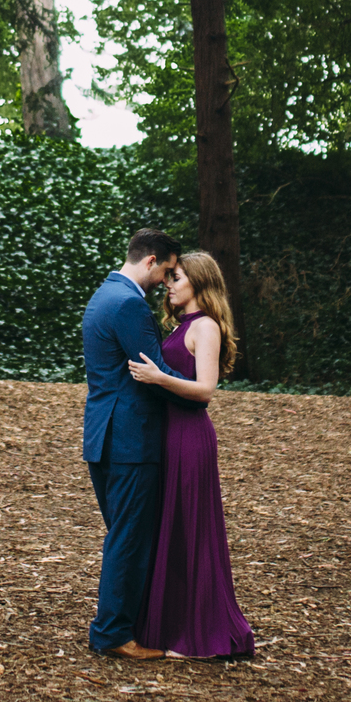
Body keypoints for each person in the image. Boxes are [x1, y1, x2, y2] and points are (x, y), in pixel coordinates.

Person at [126, 248, 255, 658]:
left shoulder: (207, 328)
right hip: (168, 435)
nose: (168, 283)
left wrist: (159, 377)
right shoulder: (181, 325)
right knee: (172, 530)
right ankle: (172, 627)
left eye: (176, 277)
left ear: (199, 282)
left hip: (190, 438)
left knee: (191, 531)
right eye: (168, 277)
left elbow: (205, 392)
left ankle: (201, 634)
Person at [80, 228, 179, 659]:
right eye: (168, 271)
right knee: (129, 538)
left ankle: (123, 623)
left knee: (125, 535)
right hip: (131, 439)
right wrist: (196, 395)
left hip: (104, 434)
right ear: (151, 260)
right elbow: (152, 373)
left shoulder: (103, 295)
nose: (167, 282)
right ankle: (114, 634)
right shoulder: (128, 306)